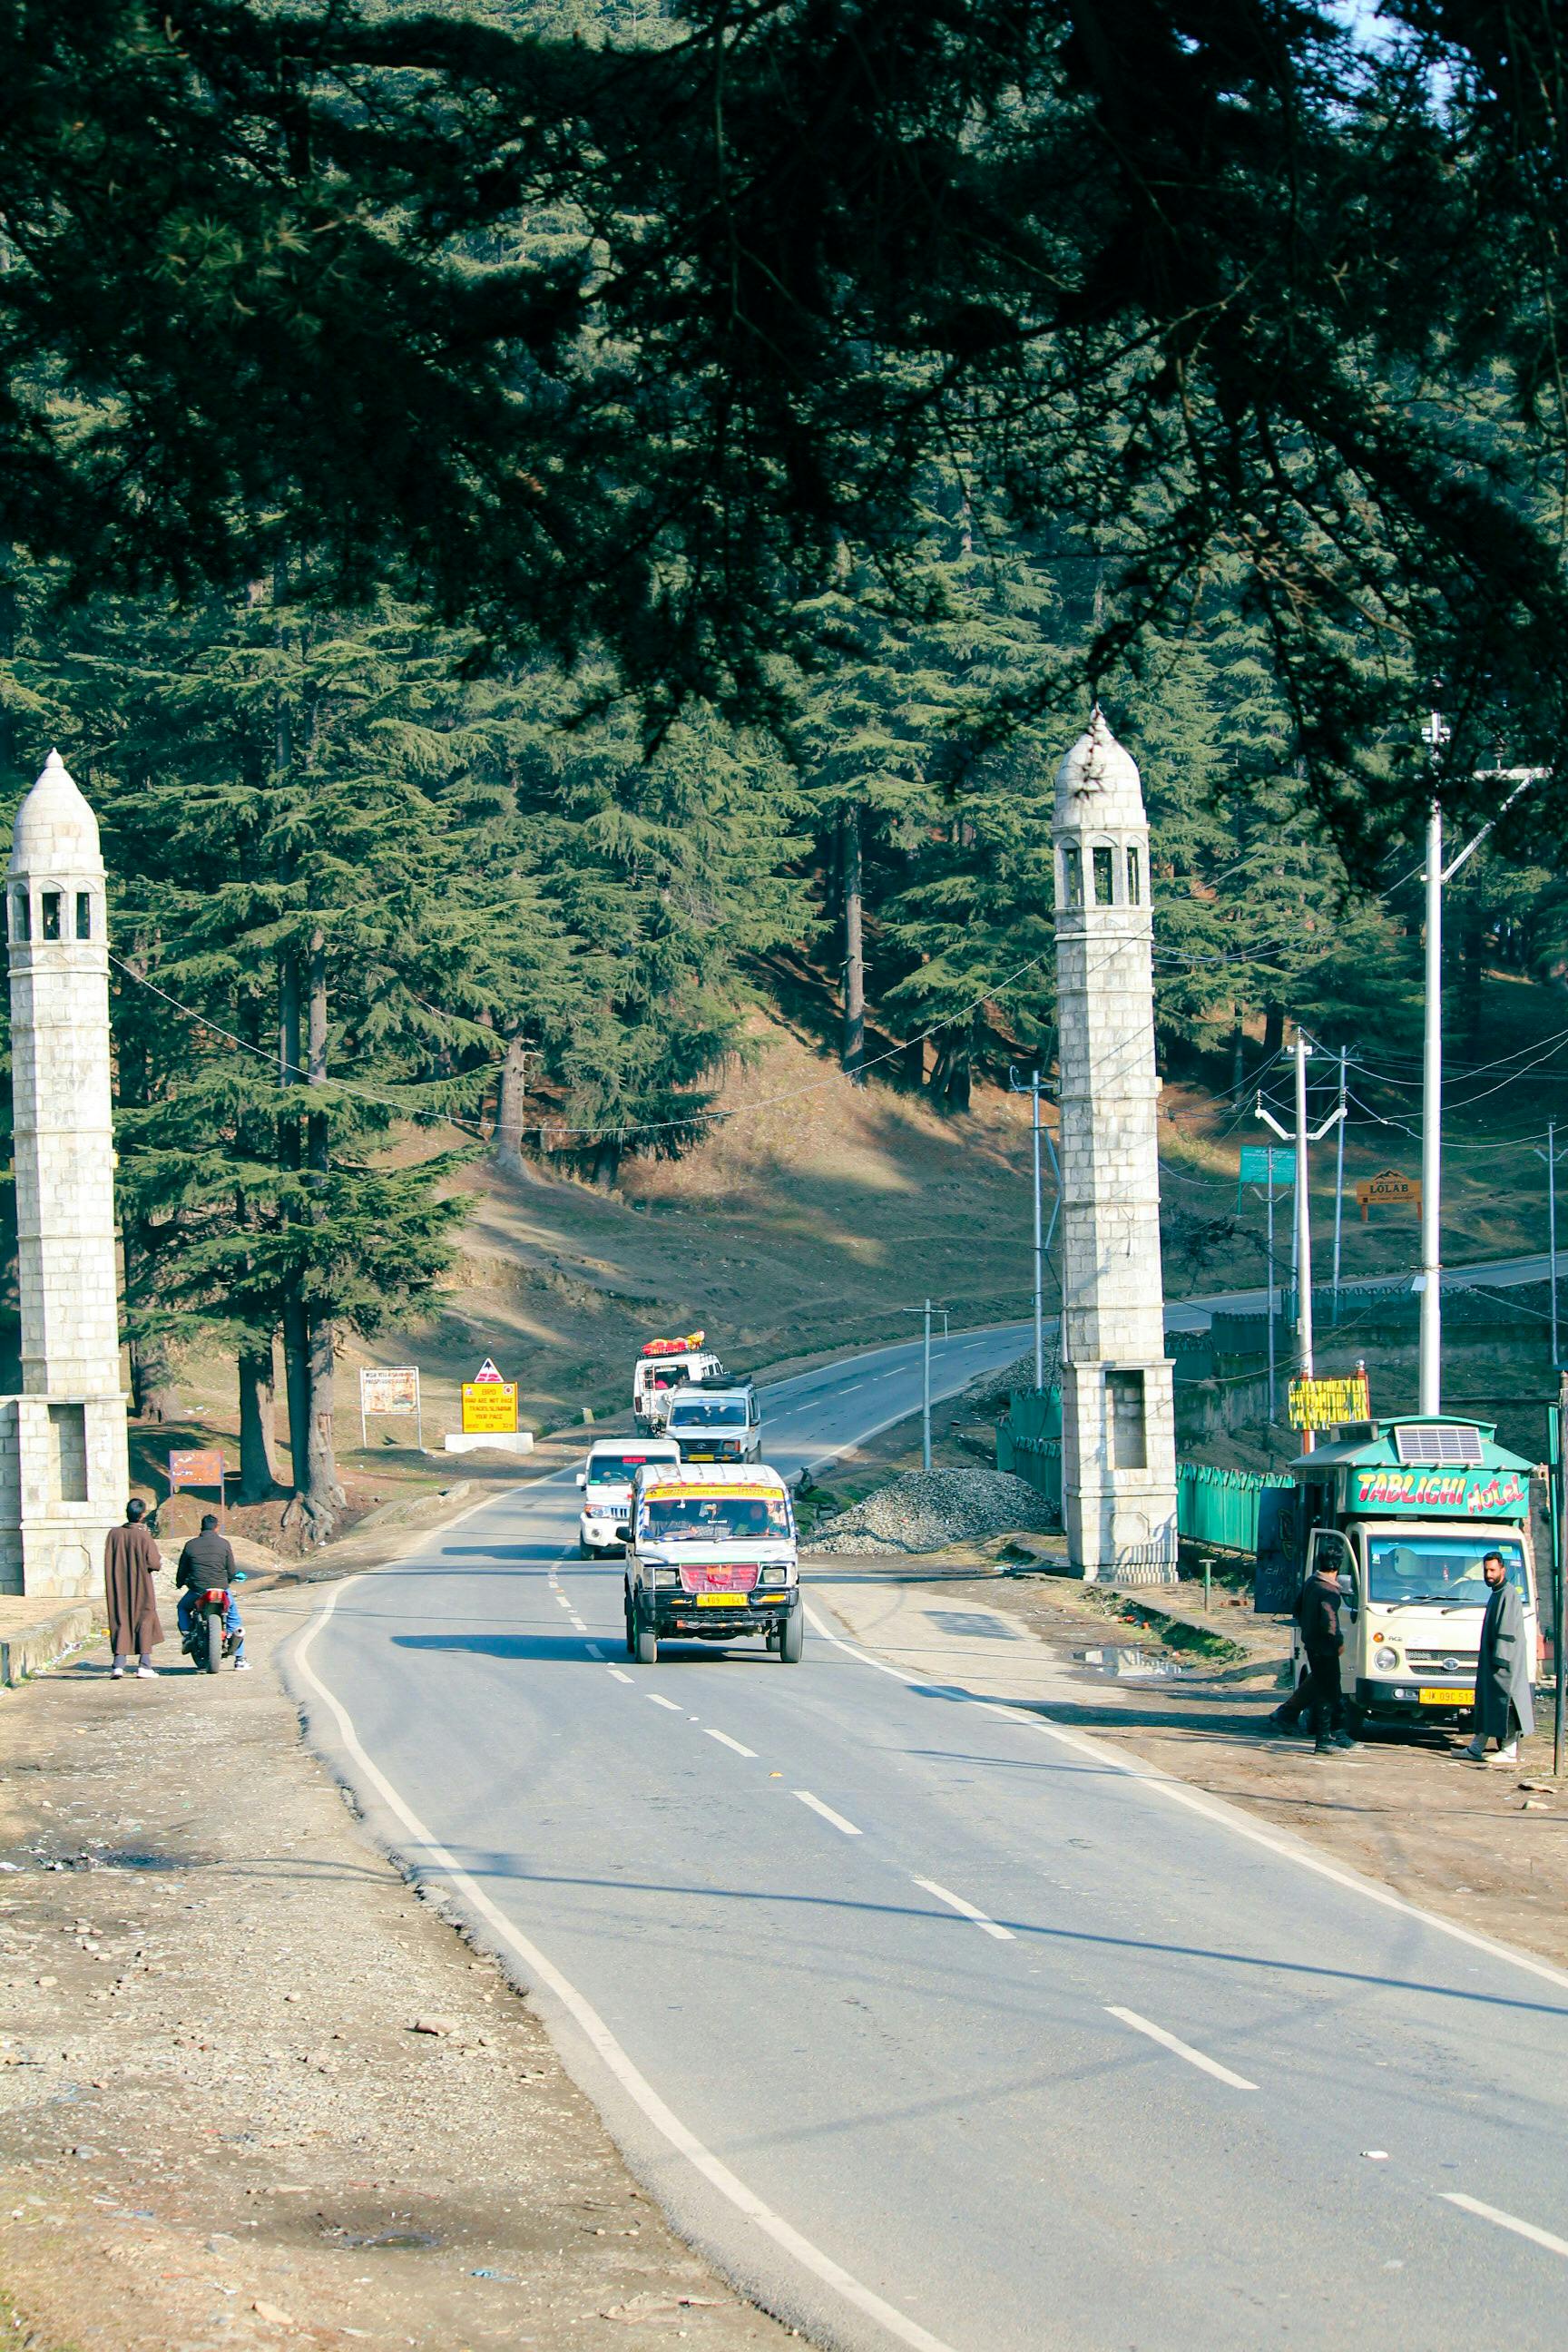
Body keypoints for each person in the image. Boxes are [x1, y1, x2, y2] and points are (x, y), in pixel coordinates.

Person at [1466, 1550, 1533, 1764]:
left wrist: (1500, 1663)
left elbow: (1507, 1630)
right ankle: (1476, 1748)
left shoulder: (1508, 1593)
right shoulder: (1497, 1592)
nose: (1489, 1574)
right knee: (1488, 1703)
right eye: (1486, 1570)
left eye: (1493, 1570)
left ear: (1503, 1569)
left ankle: (1509, 1751)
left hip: (1504, 1666)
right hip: (1494, 1664)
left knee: (1506, 1705)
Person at [1292, 1557, 1357, 1755]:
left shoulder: (1311, 1582)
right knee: (1327, 1694)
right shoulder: (1330, 1591)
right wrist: (1338, 1643)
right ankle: (1323, 1742)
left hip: (1311, 1646)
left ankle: (1339, 1734)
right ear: (1337, 1568)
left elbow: (1296, 1608)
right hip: (1326, 1649)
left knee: (1333, 1690)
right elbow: (1330, 1623)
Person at [175, 1513, 248, 1671]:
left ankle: (187, 1634)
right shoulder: (224, 1544)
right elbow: (231, 1570)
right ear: (216, 1528)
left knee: (182, 1607)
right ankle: (240, 1659)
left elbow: (182, 1569)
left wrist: (179, 1583)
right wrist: (226, 1583)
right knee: (233, 1616)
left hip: (198, 1590)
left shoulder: (190, 1545)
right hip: (221, 1588)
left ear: (201, 1528)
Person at [104, 1498, 164, 1680]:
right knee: (144, 1619)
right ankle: (144, 1665)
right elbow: (154, 1563)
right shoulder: (143, 1535)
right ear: (142, 1515)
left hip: (118, 1586)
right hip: (141, 1586)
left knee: (121, 1619)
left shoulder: (113, 1534)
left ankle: (118, 1665)